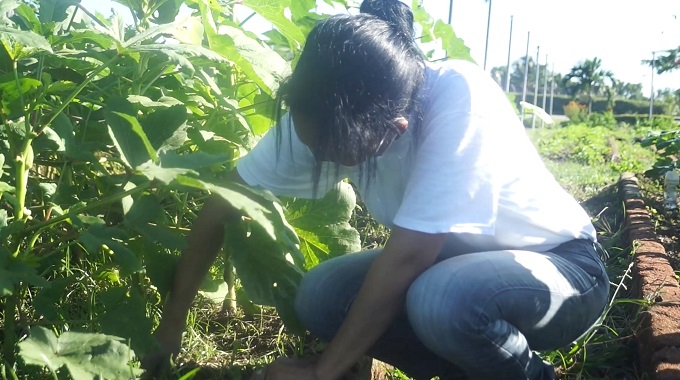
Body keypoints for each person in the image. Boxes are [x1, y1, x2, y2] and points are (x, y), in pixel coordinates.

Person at [145, 0, 610, 379]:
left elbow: (410, 256)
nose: (320, 156)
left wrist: (323, 372)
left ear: (395, 129)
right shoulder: (322, 109)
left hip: (562, 268)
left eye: (334, 149)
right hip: (451, 267)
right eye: (313, 144)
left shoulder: (461, 99)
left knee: (441, 301)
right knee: (321, 294)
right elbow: (224, 201)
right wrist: (171, 325)